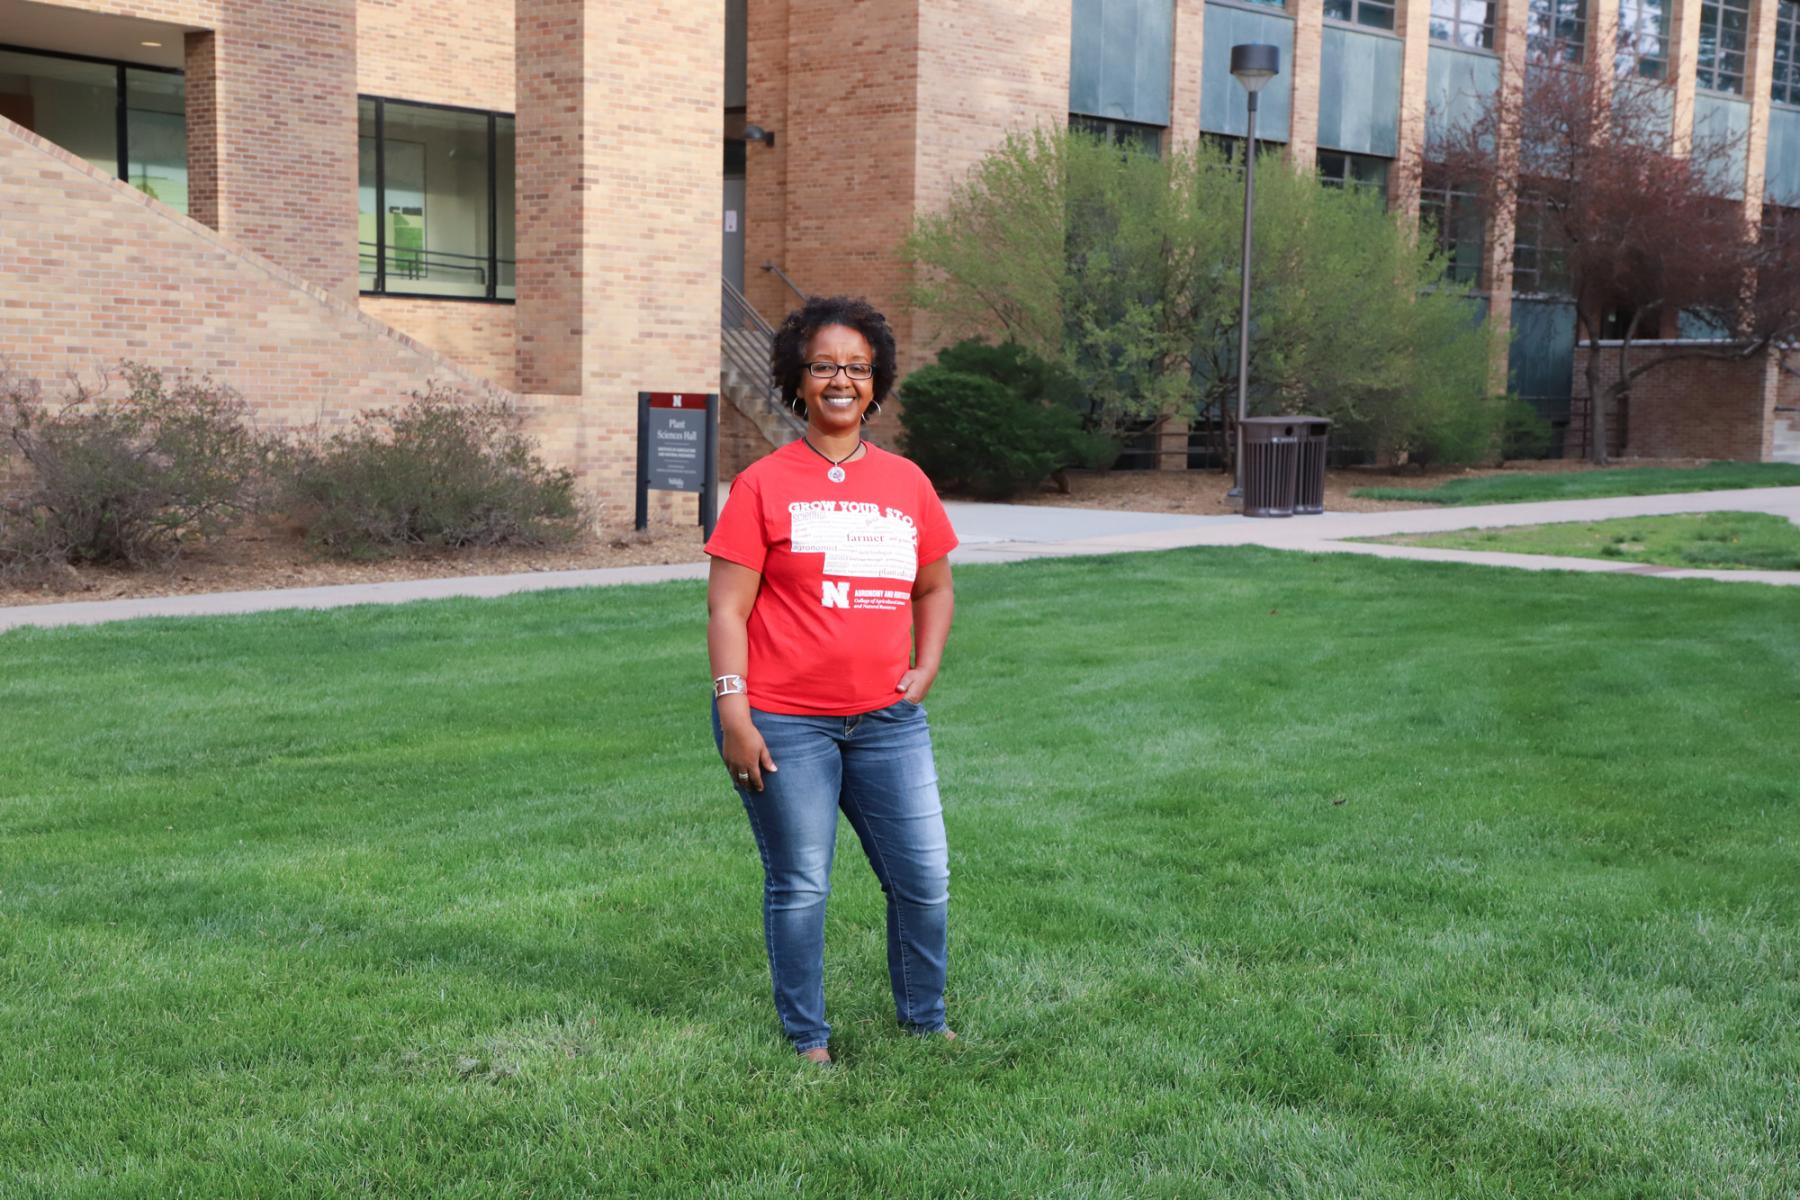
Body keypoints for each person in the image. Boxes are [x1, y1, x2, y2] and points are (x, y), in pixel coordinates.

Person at [704, 295, 959, 1065]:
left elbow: (936, 586)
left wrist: (928, 664)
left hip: (887, 721)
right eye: (823, 366)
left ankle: (924, 1019)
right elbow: (724, 610)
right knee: (803, 885)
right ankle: (808, 1039)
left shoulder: (908, 483)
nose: (840, 380)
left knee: (923, 878)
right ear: (798, 380)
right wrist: (735, 715)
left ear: (875, 382)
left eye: (856, 366)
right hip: (784, 722)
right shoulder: (762, 484)